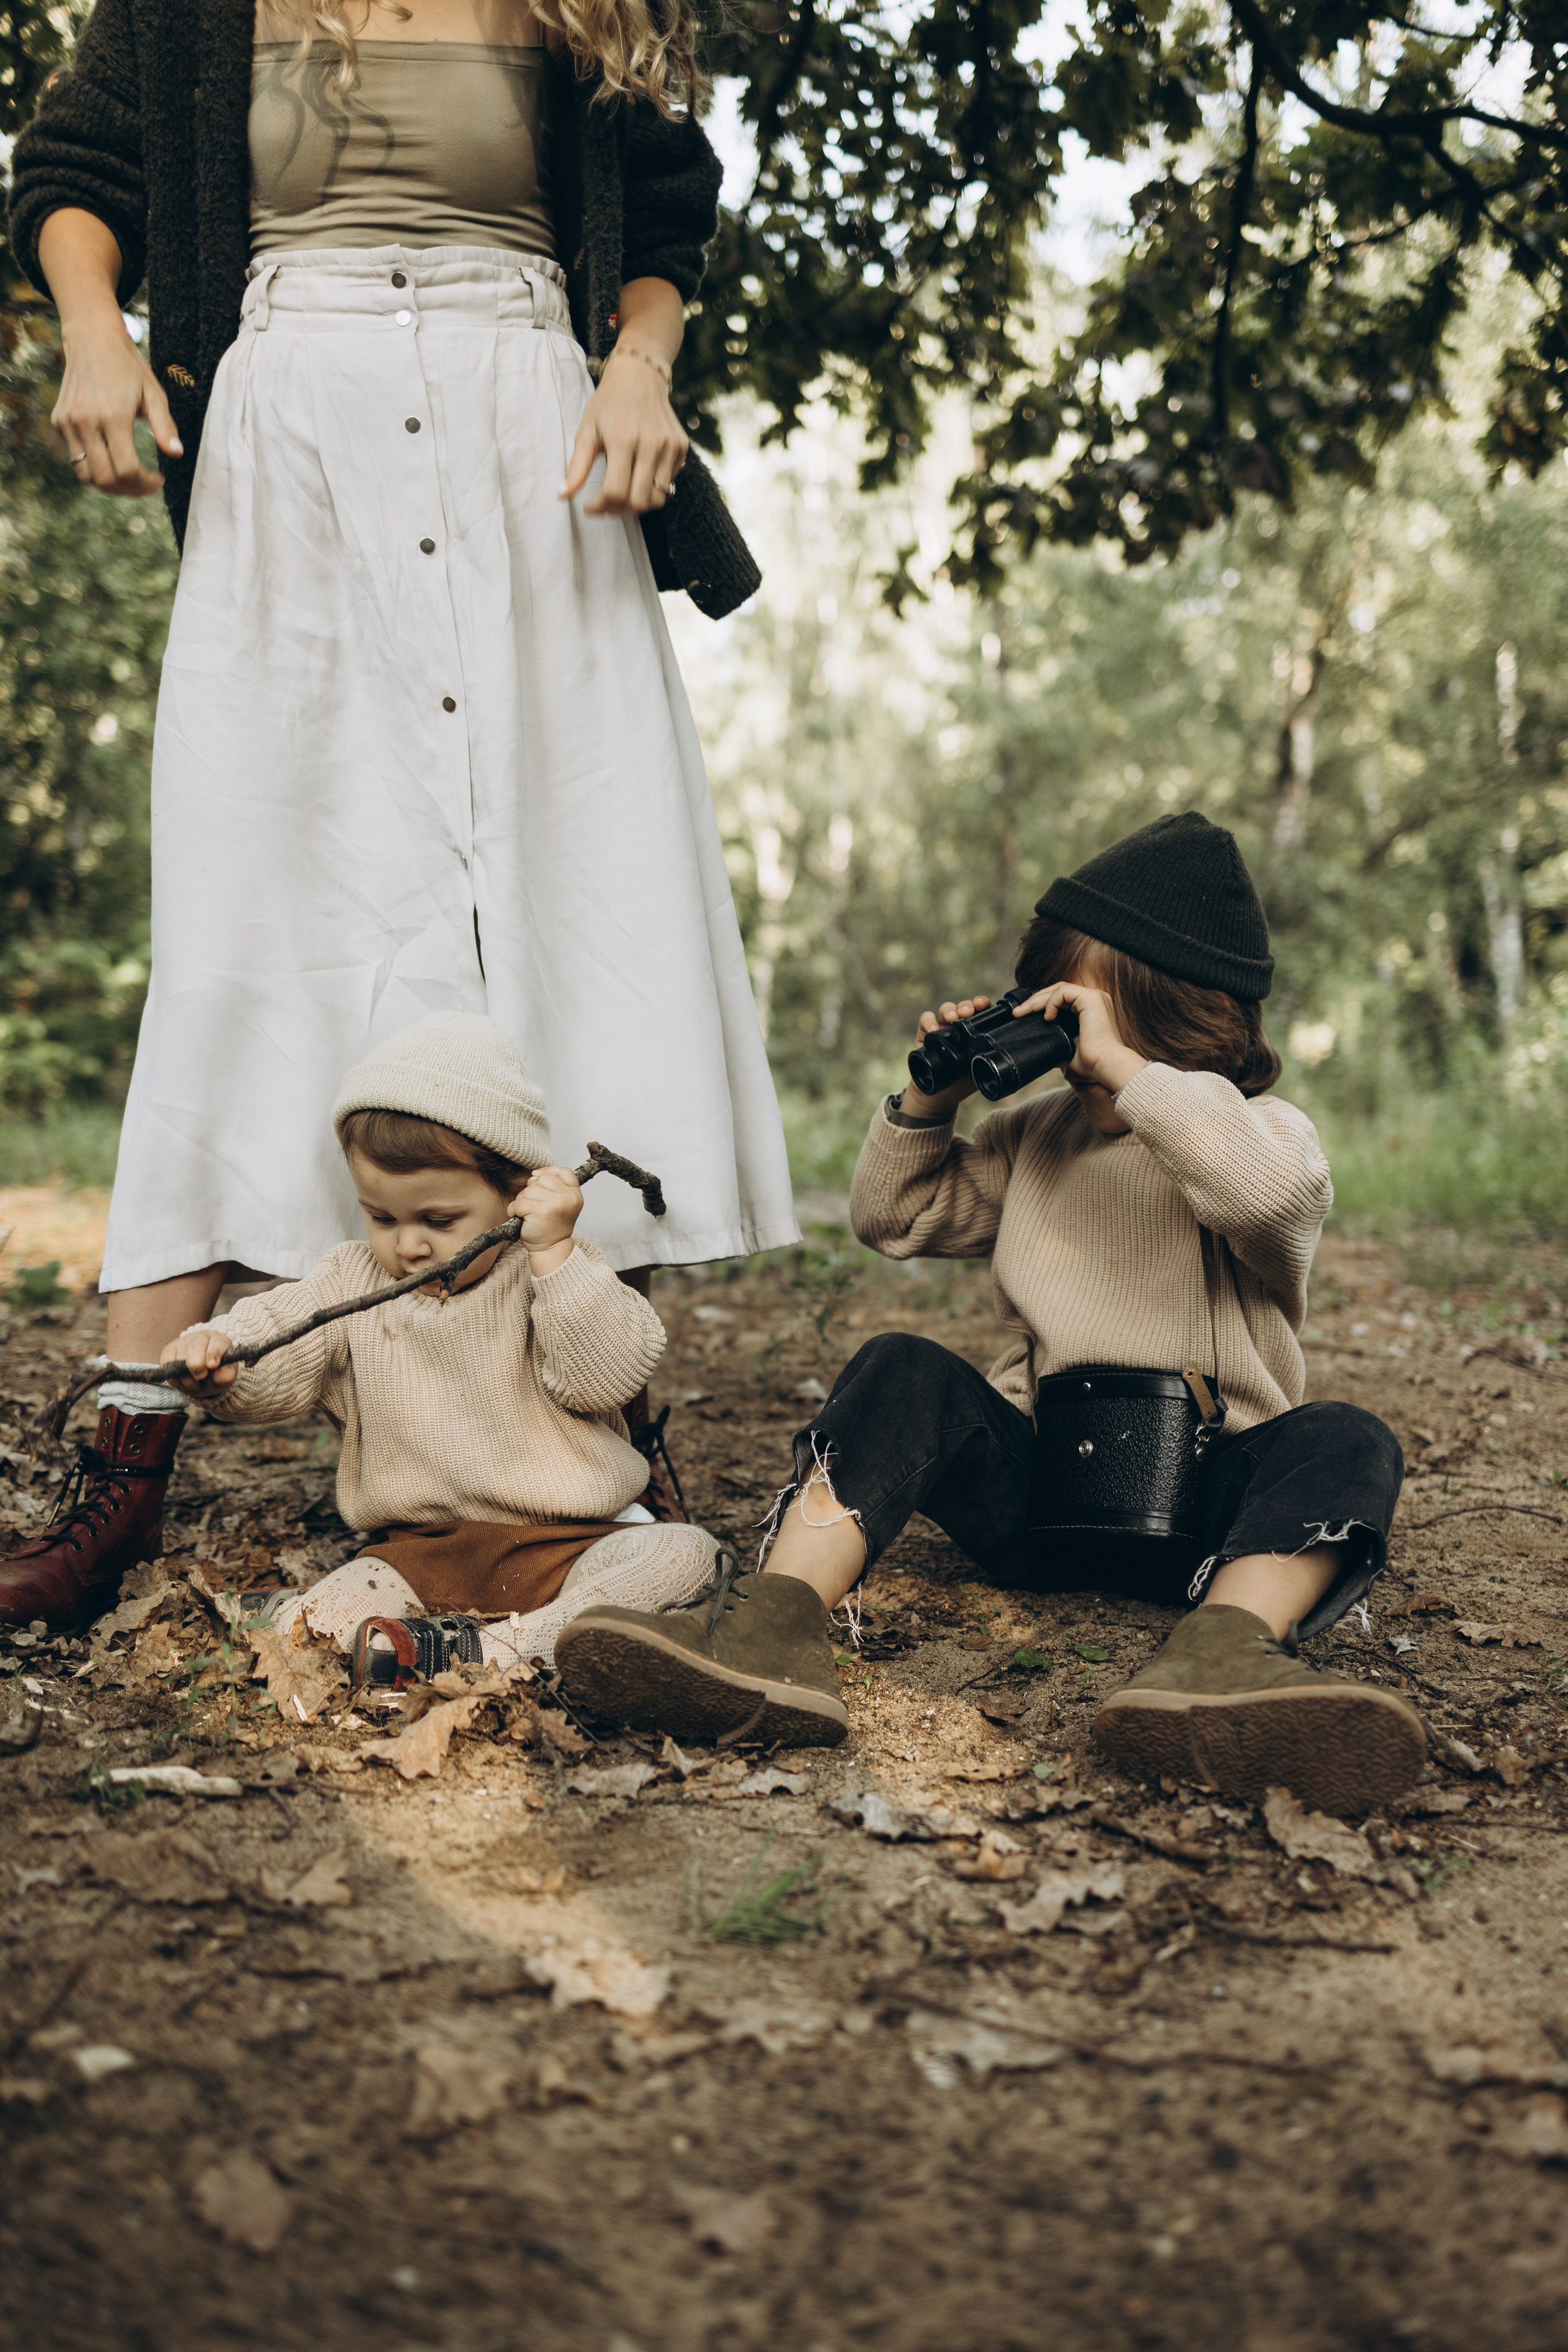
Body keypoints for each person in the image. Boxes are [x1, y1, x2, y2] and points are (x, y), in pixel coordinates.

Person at [0, 0, 797, 1630]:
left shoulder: (578, 6)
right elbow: (72, 171)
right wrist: (95, 325)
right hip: (290, 442)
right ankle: (124, 1478)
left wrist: (639, 364)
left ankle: (602, 1442)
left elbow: (665, 211)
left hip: (537, 442)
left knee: (569, 907)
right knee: (246, 930)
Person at [554, 813, 1427, 1816]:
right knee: (902, 1366)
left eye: (1109, 1022)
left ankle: (1224, 1654)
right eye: (1062, 1019)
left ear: (1194, 1024)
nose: (1082, 1052)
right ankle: (774, 1625)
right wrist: (935, 1103)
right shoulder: (1034, 1140)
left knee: (1349, 1441)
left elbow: (1263, 1200)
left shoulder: (1265, 1135)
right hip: (1043, 1494)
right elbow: (895, 1218)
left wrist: (1139, 1081)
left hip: (1205, 1508)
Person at [156, 1013, 720, 1672]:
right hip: (418, 1556)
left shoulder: (552, 1273)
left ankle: (497, 1649)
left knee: (685, 1559)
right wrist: (221, 1352)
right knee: (321, 1630)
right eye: (382, 1217)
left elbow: (604, 1377)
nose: (409, 1244)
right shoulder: (353, 1281)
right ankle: (314, 1620)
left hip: (573, 1546)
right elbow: (282, 1334)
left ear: (517, 1193)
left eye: (439, 1219)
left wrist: (557, 1258)